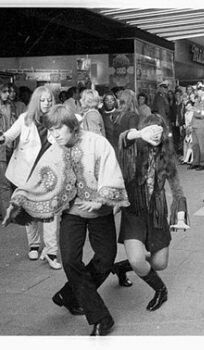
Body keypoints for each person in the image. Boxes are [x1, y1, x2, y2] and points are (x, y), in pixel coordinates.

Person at [3, 104, 130, 335]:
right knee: (71, 260)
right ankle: (101, 317)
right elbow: (37, 178)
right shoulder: (55, 149)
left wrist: (101, 199)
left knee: (106, 258)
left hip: (99, 212)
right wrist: (17, 201)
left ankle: (69, 294)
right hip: (71, 213)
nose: (55, 135)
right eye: (51, 131)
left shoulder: (97, 142)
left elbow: (111, 168)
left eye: (59, 129)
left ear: (72, 125)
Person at [111, 113, 189, 312]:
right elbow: (123, 139)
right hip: (134, 212)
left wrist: (180, 214)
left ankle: (122, 267)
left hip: (156, 214)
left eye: (158, 131)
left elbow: (177, 188)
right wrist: (138, 134)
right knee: (138, 260)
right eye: (151, 130)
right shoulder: (134, 148)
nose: (155, 135)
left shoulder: (167, 156)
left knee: (159, 263)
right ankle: (160, 290)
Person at [0, 86, 61, 269]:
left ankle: (51, 251)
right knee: (29, 211)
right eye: (42, 100)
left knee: (51, 212)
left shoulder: (58, 119)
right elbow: (9, 136)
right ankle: (33, 245)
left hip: (50, 174)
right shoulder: (24, 119)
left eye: (49, 99)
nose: (46, 103)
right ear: (36, 101)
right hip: (26, 173)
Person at [0, 81, 15, 219]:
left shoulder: (9, 106)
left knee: (6, 182)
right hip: (2, 148)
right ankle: (6, 214)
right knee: (4, 184)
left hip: (7, 147)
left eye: (7, 91)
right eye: (4, 91)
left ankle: (6, 213)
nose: (7, 94)